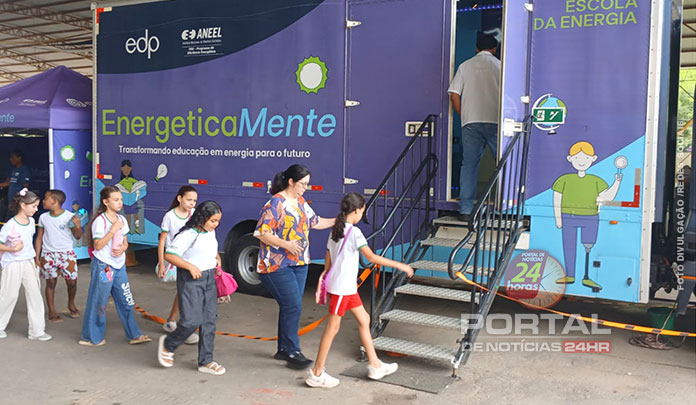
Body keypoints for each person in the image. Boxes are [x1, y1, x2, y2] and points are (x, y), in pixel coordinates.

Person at [306, 193, 414, 388]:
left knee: (364, 319)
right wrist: (401, 266)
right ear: (356, 210)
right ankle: (317, 373)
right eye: (362, 211)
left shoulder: (336, 230)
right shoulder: (354, 233)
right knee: (332, 329)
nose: (362, 214)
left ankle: (375, 365)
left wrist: (329, 275)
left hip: (345, 287)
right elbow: (371, 258)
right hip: (342, 289)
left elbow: (328, 257)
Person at [254, 164, 335, 369]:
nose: (305, 188)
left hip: (299, 263)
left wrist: (339, 220)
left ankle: (283, 349)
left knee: (291, 306)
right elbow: (262, 233)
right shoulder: (275, 203)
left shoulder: (300, 201)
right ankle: (292, 351)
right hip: (276, 264)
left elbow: (315, 222)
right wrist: (286, 244)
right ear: (291, 181)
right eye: (303, 184)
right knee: (293, 305)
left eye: (307, 184)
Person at [158, 200, 226, 376]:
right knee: (191, 321)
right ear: (202, 218)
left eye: (218, 221)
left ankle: (206, 361)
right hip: (191, 279)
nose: (215, 225)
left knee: (209, 321)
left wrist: (217, 260)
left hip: (210, 278)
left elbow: (212, 250)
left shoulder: (210, 232)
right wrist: (190, 266)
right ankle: (168, 345)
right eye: (213, 221)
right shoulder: (188, 234)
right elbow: (170, 255)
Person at [79, 186, 151, 346]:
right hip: (104, 266)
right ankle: (91, 337)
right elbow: (98, 245)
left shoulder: (122, 220)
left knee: (126, 300)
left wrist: (123, 248)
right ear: (106, 202)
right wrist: (112, 230)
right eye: (116, 200)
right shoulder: (100, 221)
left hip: (119, 265)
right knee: (99, 302)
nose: (120, 202)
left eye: (121, 199)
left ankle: (134, 334)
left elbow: (125, 241)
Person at [448, 32, 501, 222]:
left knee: (469, 165)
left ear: (476, 48)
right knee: (501, 164)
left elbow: (454, 94)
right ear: (494, 49)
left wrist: (464, 115)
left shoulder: (465, 66)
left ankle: (466, 209)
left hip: (471, 122)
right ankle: (504, 205)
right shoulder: (501, 66)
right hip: (496, 121)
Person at [0, 188, 51, 341]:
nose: (36, 209)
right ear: (23, 205)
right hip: (13, 263)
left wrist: (35, 258)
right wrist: (12, 249)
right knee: (9, 295)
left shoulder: (31, 222)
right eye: (33, 206)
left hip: (28, 260)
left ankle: (37, 330)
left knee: (35, 294)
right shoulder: (10, 225)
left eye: (36, 206)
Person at [158, 185, 199, 345]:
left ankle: (171, 321)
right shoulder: (170, 216)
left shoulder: (194, 214)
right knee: (185, 292)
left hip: (190, 259)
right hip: (176, 259)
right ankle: (184, 328)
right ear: (179, 198)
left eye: (194, 200)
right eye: (189, 200)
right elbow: (162, 241)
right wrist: (162, 263)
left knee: (184, 292)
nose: (192, 203)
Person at [35, 190, 83, 322]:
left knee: (72, 282)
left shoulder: (69, 217)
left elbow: (77, 236)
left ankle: (71, 303)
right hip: (48, 254)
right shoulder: (43, 217)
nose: (43, 201)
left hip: (66, 254)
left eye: (46, 198)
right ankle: (52, 311)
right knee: (50, 282)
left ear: (54, 201)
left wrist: (78, 226)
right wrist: (37, 256)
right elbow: (39, 237)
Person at [0, 150, 31, 220]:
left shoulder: (24, 170)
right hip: (10, 202)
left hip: (18, 203)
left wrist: (21, 200)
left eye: (12, 157)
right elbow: (7, 183)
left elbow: (26, 187)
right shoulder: (13, 170)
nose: (10, 159)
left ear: (19, 158)